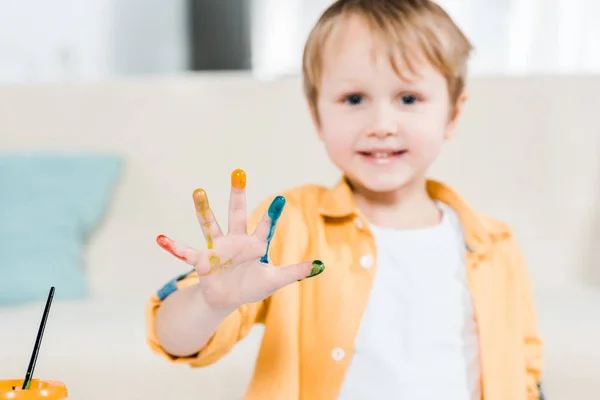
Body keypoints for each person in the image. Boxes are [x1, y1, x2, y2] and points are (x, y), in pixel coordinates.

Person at [145, 0, 544, 399]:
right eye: (354, 99)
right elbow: (176, 339)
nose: (381, 126)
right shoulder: (289, 226)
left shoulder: (496, 246)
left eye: (409, 99)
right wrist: (211, 301)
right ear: (317, 115)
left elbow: (525, 373)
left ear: (453, 114)